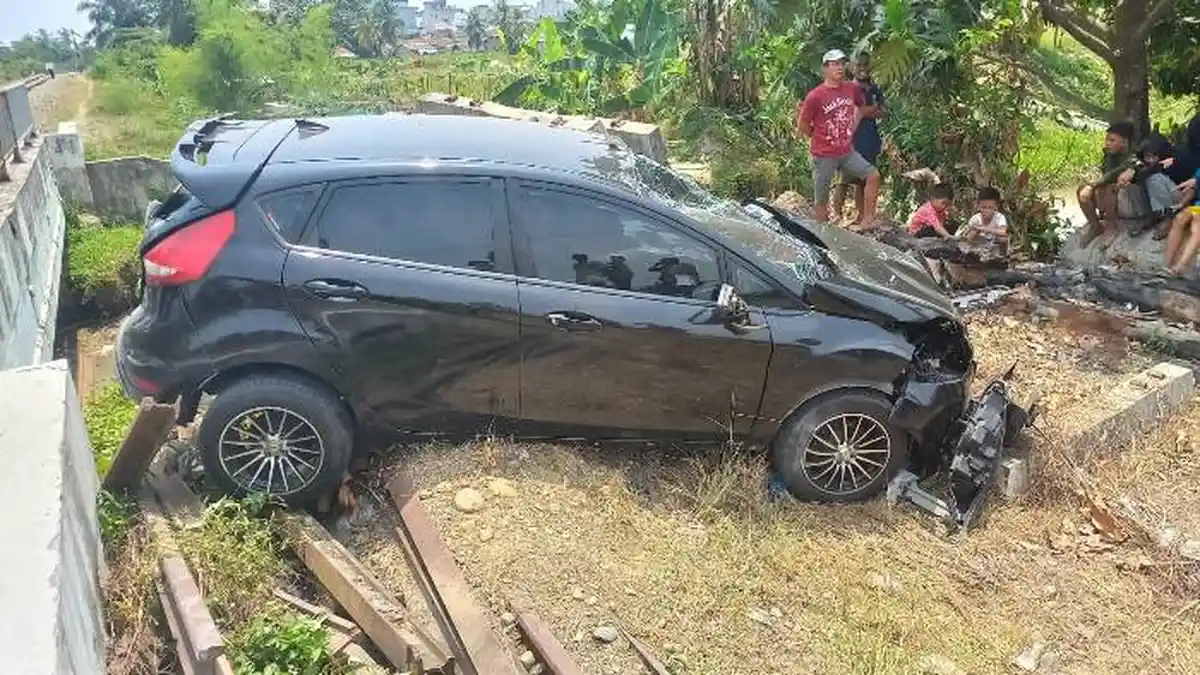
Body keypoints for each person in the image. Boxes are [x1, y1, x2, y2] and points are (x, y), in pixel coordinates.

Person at [796, 48, 881, 229]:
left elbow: (861, 106)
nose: (840, 68)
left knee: (873, 176)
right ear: (825, 68)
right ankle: (821, 238)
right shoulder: (815, 96)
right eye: (835, 64)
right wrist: (816, 135)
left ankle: (867, 220)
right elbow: (802, 124)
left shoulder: (852, 88)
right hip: (823, 155)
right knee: (821, 205)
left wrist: (853, 124)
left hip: (846, 152)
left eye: (842, 63)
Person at [829, 51, 886, 227]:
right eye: (859, 65)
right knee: (843, 180)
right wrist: (869, 111)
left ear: (870, 67)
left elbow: (884, 112)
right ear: (852, 68)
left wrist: (864, 112)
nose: (862, 69)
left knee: (863, 181)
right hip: (850, 140)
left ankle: (862, 217)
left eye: (865, 65)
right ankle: (836, 215)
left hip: (869, 140)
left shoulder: (875, 89)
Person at [1077, 120, 1139, 249]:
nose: (1107, 144)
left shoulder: (1134, 156)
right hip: (1111, 195)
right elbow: (1107, 174)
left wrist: (1092, 185)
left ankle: (1112, 228)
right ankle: (1095, 226)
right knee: (1081, 190)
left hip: (1130, 200)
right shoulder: (1110, 154)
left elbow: (1113, 175)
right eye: (1107, 140)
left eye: (1112, 140)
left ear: (1124, 141)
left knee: (1108, 188)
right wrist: (1109, 156)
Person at [1163, 168, 1200, 276]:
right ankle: (1166, 265)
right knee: (1179, 218)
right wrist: (1181, 204)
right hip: (1197, 206)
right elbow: (1193, 188)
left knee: (1197, 224)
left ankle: (1180, 267)